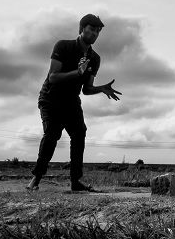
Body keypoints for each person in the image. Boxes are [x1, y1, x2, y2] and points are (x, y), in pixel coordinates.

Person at [27, 14, 121, 192]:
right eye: (92, 29)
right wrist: (77, 73)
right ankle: (35, 179)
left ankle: (76, 182)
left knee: (79, 133)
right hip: (51, 98)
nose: (95, 33)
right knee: (52, 134)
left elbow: (86, 89)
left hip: (71, 100)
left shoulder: (95, 58)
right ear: (82, 29)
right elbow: (53, 77)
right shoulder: (63, 46)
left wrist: (101, 88)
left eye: (98, 31)